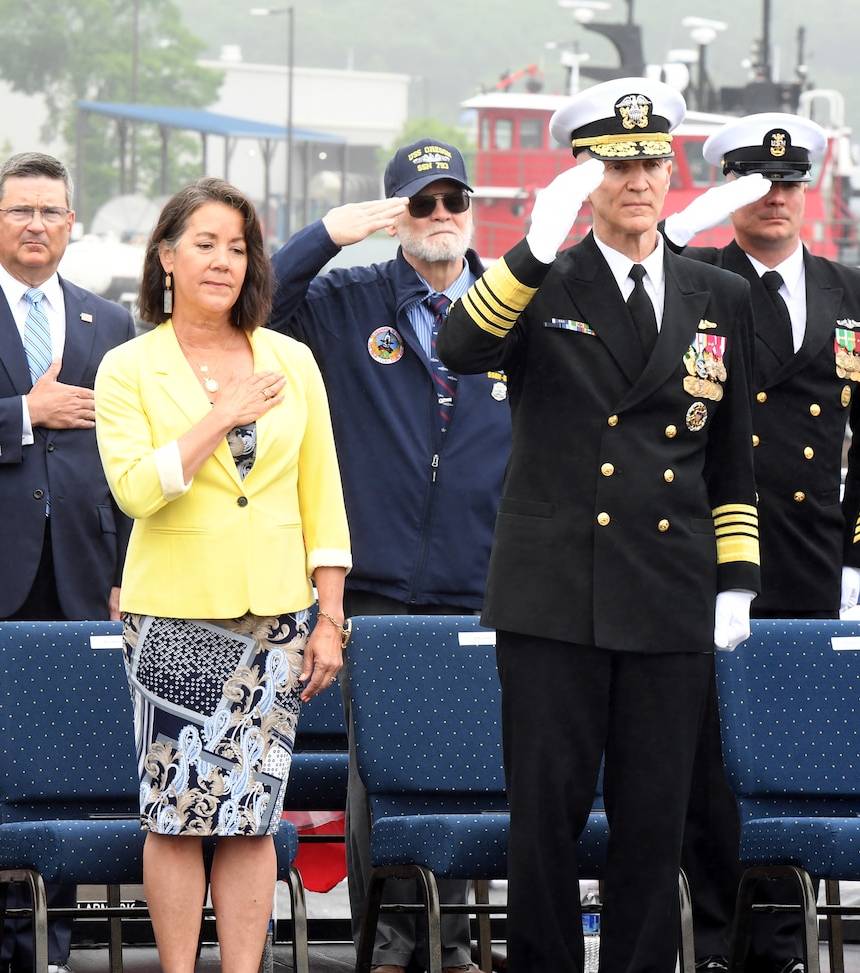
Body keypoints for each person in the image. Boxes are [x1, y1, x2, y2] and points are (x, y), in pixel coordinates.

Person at [438, 77, 761, 973]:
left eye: (652, 160)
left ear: (671, 171)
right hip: (555, 596)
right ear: (584, 175)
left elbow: (731, 455)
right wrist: (532, 249)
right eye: (616, 163)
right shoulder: (544, 278)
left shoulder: (715, 294)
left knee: (657, 820)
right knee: (545, 818)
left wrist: (736, 579)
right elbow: (457, 350)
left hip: (668, 595)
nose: (638, 178)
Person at [94, 176, 352, 973]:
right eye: (204, 244)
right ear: (166, 257)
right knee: (179, 812)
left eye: (237, 247)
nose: (222, 260)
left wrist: (330, 615)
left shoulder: (292, 359)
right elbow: (136, 489)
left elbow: (324, 496)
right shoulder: (129, 367)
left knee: (251, 811)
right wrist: (222, 414)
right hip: (176, 617)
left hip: (276, 615)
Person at [267, 136, 510, 973]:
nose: (439, 217)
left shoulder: (511, 305)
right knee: (385, 771)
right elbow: (256, 307)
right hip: (374, 583)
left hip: (485, 581)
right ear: (395, 215)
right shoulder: (346, 299)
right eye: (420, 203)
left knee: (477, 763)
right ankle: (395, 941)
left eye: (453, 201)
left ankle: (462, 938)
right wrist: (325, 234)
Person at [661, 112, 860, 973]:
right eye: (755, 182)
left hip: (810, 563)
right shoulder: (690, 278)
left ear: (813, 188)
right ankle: (709, 938)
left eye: (789, 182)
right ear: (730, 192)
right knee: (706, 763)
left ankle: (781, 945)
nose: (776, 197)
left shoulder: (857, 294)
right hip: (702, 559)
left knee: (793, 757)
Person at [0, 151, 134, 973]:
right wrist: (23, 412)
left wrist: (128, 570)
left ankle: (53, 946)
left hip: (86, 579)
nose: (36, 226)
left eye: (51, 212)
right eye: (20, 211)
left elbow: (127, 460)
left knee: (69, 773)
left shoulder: (109, 323)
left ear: (71, 223)